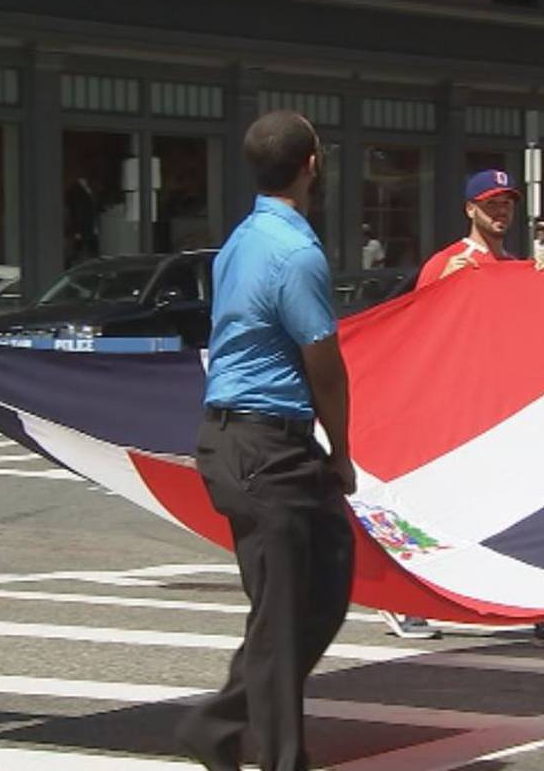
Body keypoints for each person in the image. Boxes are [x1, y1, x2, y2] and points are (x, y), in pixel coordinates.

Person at [176, 111, 356, 771]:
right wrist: (342, 449)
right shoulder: (294, 253)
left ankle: (218, 724)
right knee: (283, 615)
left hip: (243, 445)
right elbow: (325, 365)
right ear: (311, 164)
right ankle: (278, 758)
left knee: (322, 579)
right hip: (264, 447)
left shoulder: (240, 242)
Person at [388, 170, 544, 648]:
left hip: (504, 413)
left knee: (529, 508)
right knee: (432, 512)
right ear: (470, 209)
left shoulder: (520, 269)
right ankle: (405, 598)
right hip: (452, 415)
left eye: (507, 202)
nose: (501, 211)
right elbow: (419, 336)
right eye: (491, 203)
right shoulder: (448, 263)